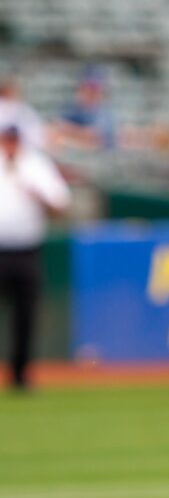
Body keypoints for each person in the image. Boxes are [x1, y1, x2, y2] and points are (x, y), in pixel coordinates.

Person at [0, 124, 71, 392]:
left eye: (13, 140)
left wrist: (39, 196)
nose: (10, 145)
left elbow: (61, 204)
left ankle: (20, 376)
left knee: (25, 315)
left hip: (26, 250)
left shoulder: (35, 164)